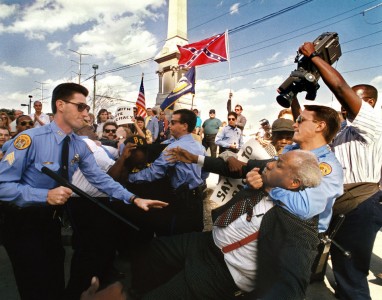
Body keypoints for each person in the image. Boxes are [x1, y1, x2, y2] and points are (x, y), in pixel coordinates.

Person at [0, 82, 167, 300]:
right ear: (60, 105)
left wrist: (133, 198)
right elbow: (2, 185)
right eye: (80, 107)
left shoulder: (78, 144)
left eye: (87, 108)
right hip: (23, 223)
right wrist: (44, 196)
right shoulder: (30, 140)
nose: (86, 113)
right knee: (35, 286)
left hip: (51, 221)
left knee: (55, 283)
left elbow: (100, 179)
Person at [131, 150, 322, 299]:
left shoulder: (299, 218)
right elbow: (221, 211)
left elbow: (292, 283)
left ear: (294, 183)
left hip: (224, 271)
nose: (270, 164)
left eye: (279, 165)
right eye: (275, 159)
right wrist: (248, 189)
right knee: (154, 250)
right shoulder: (264, 183)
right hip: (207, 244)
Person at [299, 41, 382, 299]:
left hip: (361, 204)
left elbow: (340, 88)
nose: (343, 104)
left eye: (353, 99)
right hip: (341, 203)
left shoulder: (374, 123)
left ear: (368, 102)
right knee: (342, 266)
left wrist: (314, 56)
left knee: (351, 273)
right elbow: (306, 125)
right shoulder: (344, 130)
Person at [129, 109, 208, 233]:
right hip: (197, 199)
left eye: (173, 122)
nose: (169, 125)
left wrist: (130, 178)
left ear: (184, 126)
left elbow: (154, 173)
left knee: (177, 237)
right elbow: (205, 173)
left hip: (182, 201)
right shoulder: (200, 147)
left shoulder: (173, 148)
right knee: (193, 235)